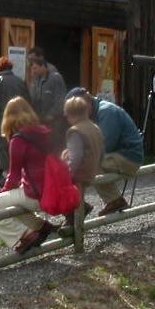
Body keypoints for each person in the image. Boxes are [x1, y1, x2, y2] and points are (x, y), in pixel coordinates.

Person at [0, 97, 56, 254]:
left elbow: (13, 177)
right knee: (12, 201)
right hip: (52, 191)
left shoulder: (18, 140)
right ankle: (41, 226)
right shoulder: (46, 132)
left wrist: (2, 192)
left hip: (35, 194)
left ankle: (24, 236)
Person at [64, 87, 144, 215]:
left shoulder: (106, 112)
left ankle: (114, 201)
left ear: (86, 101)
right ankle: (108, 201)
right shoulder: (95, 113)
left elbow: (106, 145)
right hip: (120, 154)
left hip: (129, 157)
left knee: (90, 164)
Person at [60, 97, 103, 226]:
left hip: (81, 172)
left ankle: (72, 216)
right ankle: (78, 211)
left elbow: (76, 158)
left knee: (55, 184)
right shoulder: (94, 127)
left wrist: (65, 172)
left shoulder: (75, 131)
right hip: (93, 168)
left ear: (69, 115)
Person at [0, 56, 30, 175]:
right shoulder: (20, 81)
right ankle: (20, 173)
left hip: (3, 120)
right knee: (19, 145)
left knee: (4, 147)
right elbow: (28, 101)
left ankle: (7, 175)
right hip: (21, 120)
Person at [28, 54, 67, 136]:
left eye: (35, 68)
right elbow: (32, 99)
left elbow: (60, 100)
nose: (33, 71)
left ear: (43, 67)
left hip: (55, 122)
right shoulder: (35, 81)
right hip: (40, 122)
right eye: (32, 69)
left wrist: (52, 115)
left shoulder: (55, 78)